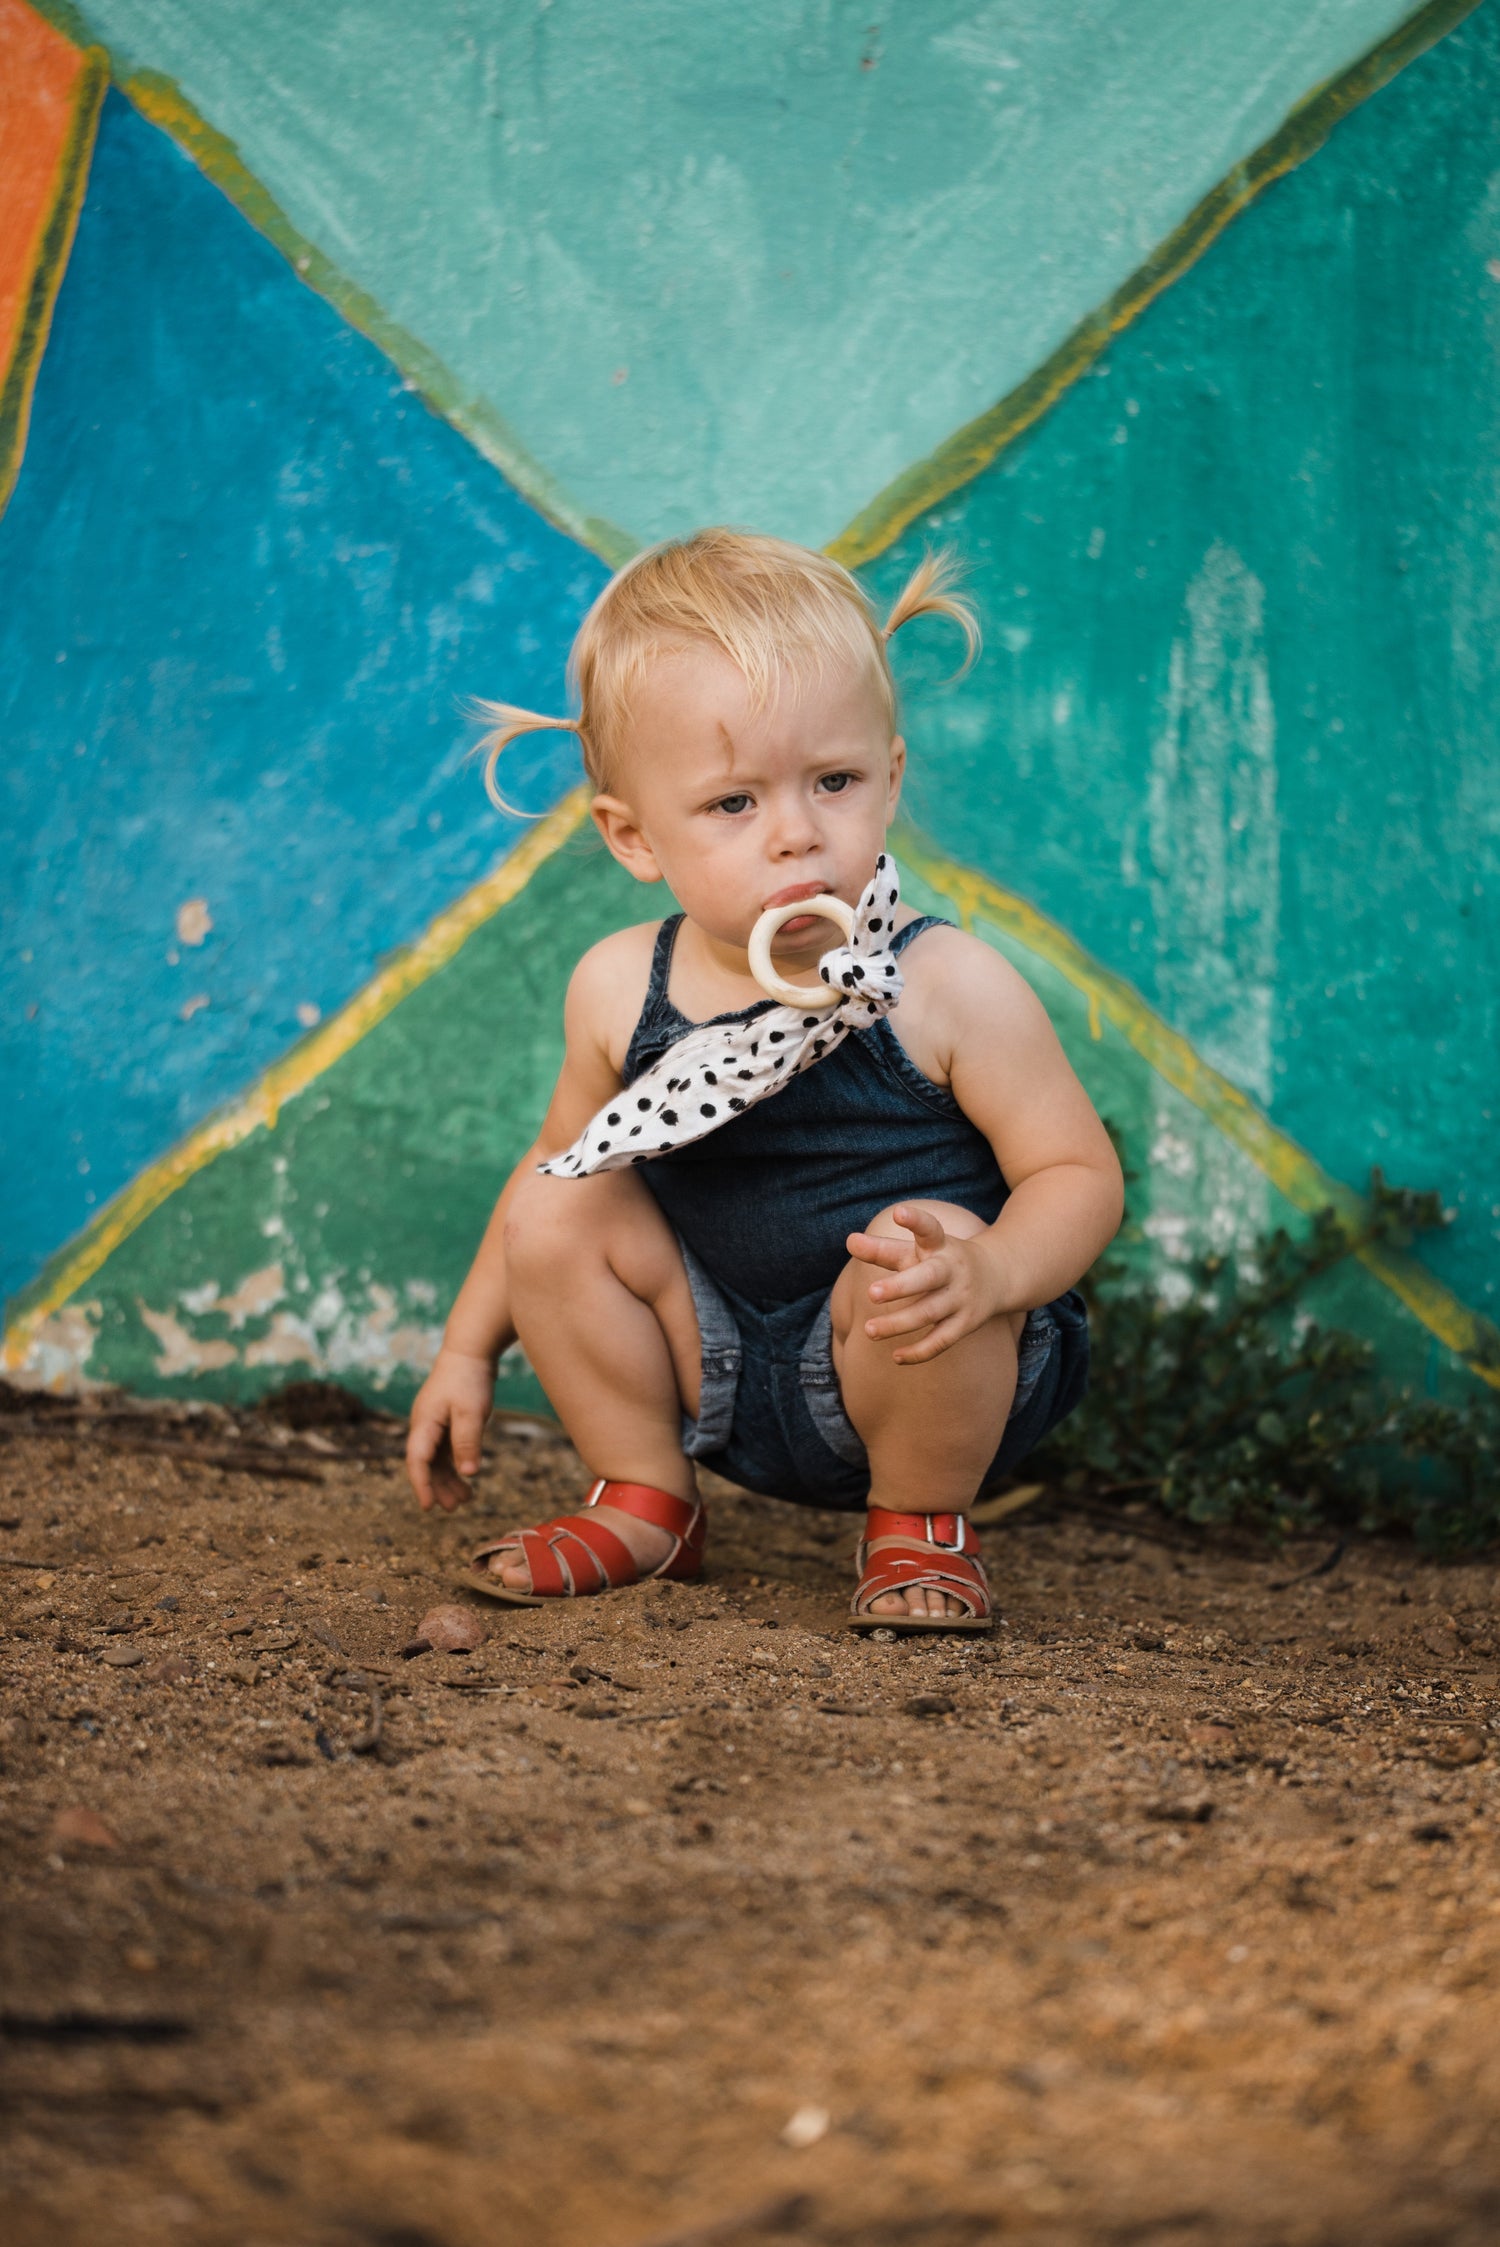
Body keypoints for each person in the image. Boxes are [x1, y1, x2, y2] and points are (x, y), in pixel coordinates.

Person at [405, 530, 1122, 1631]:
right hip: (718, 1363)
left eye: (834, 781)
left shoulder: (944, 986)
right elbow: (549, 1169)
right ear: (634, 836)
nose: (796, 834)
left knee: (922, 1238)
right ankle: (645, 1497)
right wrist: (466, 1349)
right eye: (734, 804)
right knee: (559, 1200)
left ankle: (918, 1523)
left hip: (927, 1361)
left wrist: (991, 1271)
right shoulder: (617, 988)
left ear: (891, 776)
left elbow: (1079, 1174)